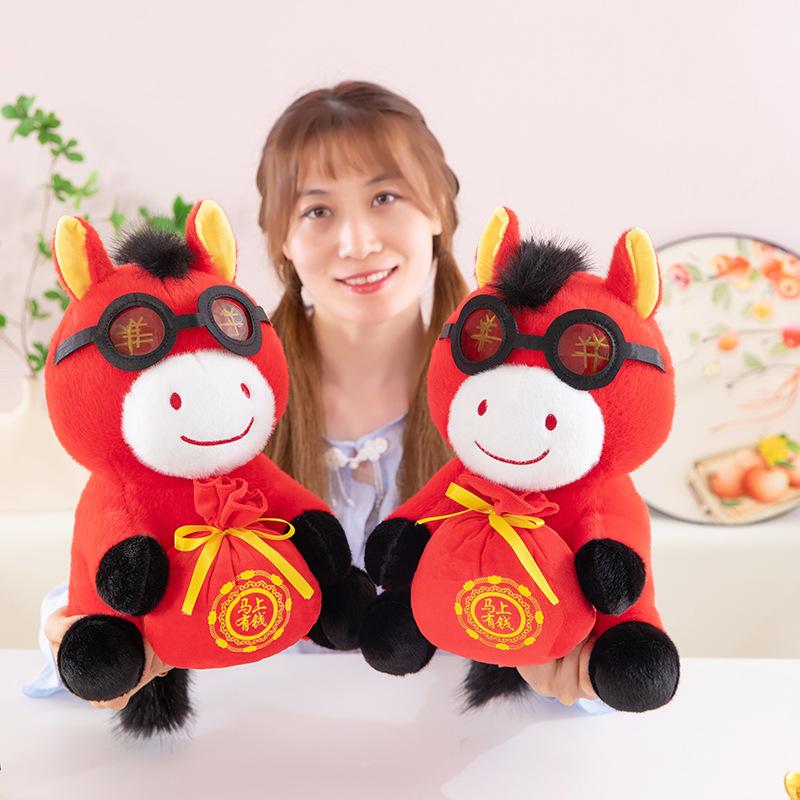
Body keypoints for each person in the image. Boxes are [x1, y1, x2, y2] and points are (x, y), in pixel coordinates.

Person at [26, 80, 603, 713]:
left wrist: (576, 674)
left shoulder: (522, 399)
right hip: (260, 737)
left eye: (385, 197)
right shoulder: (218, 402)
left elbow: (598, 567)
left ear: (439, 210)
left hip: (463, 739)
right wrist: (81, 647)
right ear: (281, 241)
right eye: (317, 211)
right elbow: (115, 537)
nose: (357, 242)